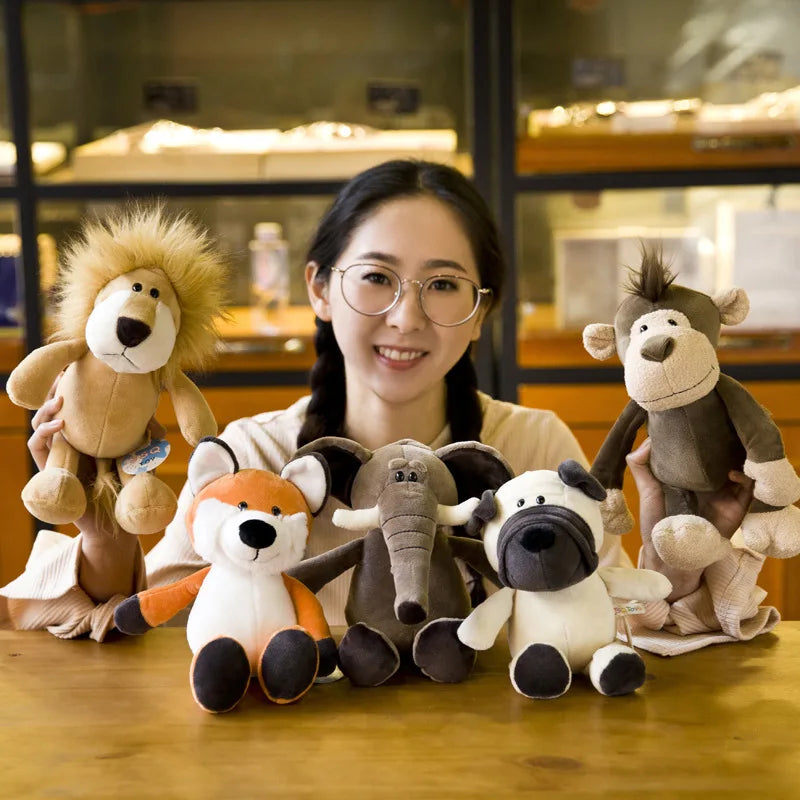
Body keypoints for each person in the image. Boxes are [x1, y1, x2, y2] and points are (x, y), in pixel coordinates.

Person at [0, 159, 768, 649]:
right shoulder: (250, 454)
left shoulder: (535, 445)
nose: (407, 317)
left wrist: (684, 541)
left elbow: (621, 624)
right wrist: (100, 524)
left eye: (443, 285)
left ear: (482, 311)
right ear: (319, 289)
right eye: (376, 277)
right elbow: (159, 627)